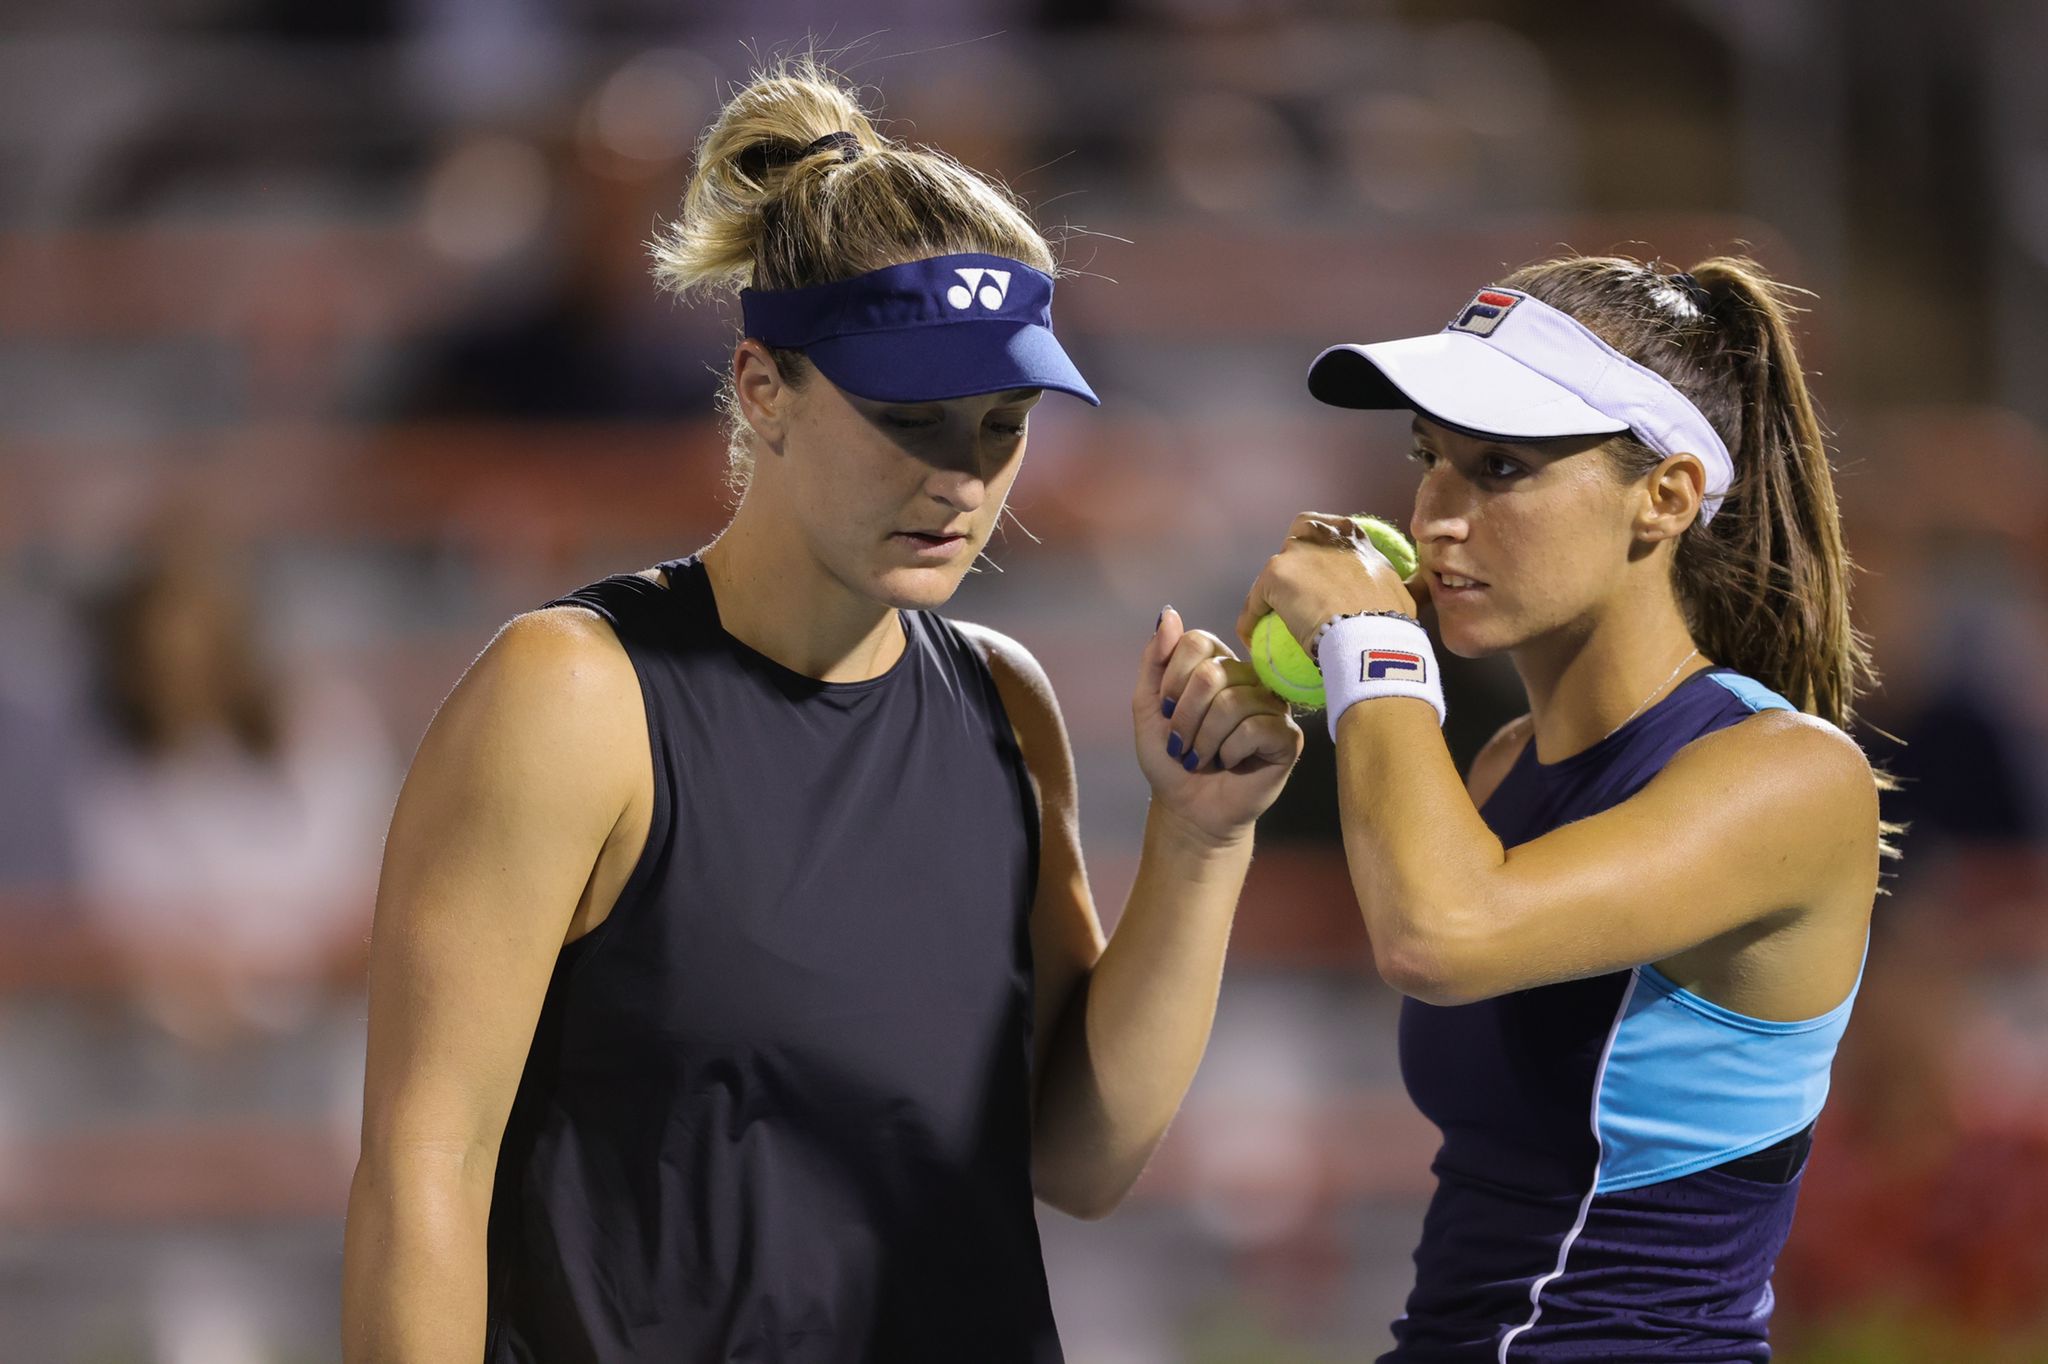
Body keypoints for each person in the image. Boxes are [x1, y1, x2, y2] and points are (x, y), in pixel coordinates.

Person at [340, 60, 1304, 1363]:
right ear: (760, 388)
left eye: (1001, 424)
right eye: (909, 418)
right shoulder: (570, 698)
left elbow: (1077, 1157)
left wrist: (1201, 842)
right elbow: (424, 1168)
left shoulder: (1002, 703)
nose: (963, 478)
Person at [1217, 256, 1886, 1360]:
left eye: (1500, 467)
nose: (1436, 517)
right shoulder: (1494, 762)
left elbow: (1440, 934)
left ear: (1665, 496)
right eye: (1427, 458)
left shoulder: (1791, 774)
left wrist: (1372, 651)